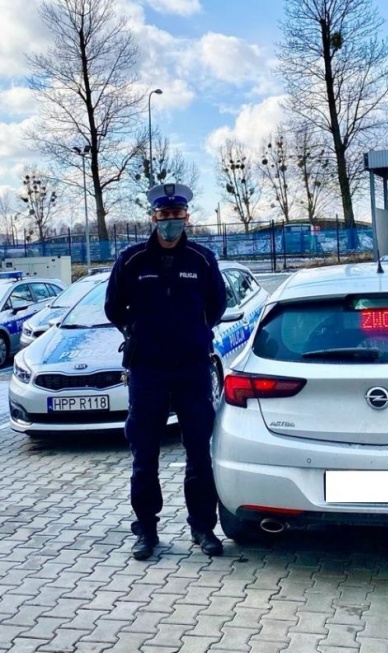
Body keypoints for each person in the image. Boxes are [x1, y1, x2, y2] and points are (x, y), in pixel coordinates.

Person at [105, 183, 227, 561]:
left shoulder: (202, 259)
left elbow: (217, 305)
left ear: (186, 218)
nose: (170, 221)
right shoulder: (132, 260)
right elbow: (113, 307)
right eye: (164, 215)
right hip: (148, 370)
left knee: (199, 453)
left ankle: (203, 527)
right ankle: (146, 529)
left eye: (176, 215)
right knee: (145, 455)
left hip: (192, 368)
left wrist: (193, 333)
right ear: (153, 217)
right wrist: (138, 332)